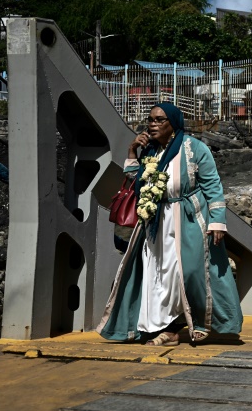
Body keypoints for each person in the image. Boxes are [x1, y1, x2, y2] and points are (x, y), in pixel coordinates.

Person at [97, 103, 242, 346]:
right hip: (156, 223)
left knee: (190, 273)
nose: (151, 125)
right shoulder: (151, 151)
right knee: (158, 275)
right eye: (150, 120)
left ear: (173, 123)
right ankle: (164, 328)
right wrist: (133, 151)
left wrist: (217, 222)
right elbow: (137, 182)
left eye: (158, 120)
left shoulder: (195, 149)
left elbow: (212, 186)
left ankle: (198, 323)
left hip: (189, 219)